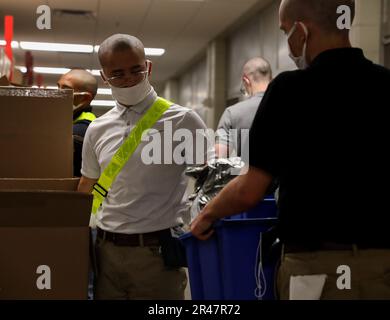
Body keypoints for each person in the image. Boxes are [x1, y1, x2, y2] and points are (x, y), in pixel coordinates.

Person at [191, 0, 390, 300]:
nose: (288, 43)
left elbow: (249, 189)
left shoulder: (289, 89)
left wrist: (207, 213)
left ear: (301, 31)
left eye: (286, 32)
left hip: (317, 268)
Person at [77, 34, 211, 300]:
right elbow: (87, 187)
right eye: (117, 74)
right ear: (104, 77)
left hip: (157, 255)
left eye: (136, 70)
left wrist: (200, 220)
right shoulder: (97, 129)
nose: (128, 78)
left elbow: (212, 179)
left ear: (148, 67)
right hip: (106, 253)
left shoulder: (183, 120)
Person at [216, 57, 272, 158]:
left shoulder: (232, 113)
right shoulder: (290, 107)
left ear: (246, 80)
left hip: (246, 173)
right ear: (271, 79)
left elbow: (220, 156)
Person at [57, 69, 97, 177]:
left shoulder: (80, 131)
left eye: (66, 90)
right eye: (58, 87)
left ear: (85, 98)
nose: (57, 93)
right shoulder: (69, 122)